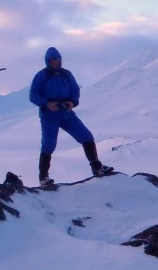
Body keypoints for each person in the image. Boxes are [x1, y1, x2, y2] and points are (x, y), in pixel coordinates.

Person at [29, 47, 112, 185]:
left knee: (86, 136)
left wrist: (72, 102)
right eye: (51, 60)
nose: (55, 62)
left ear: (61, 60)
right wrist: (47, 104)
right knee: (49, 144)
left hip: (66, 113)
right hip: (49, 115)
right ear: (47, 61)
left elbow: (75, 90)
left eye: (57, 59)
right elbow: (33, 95)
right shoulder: (41, 76)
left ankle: (97, 167)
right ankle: (43, 177)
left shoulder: (66, 74)